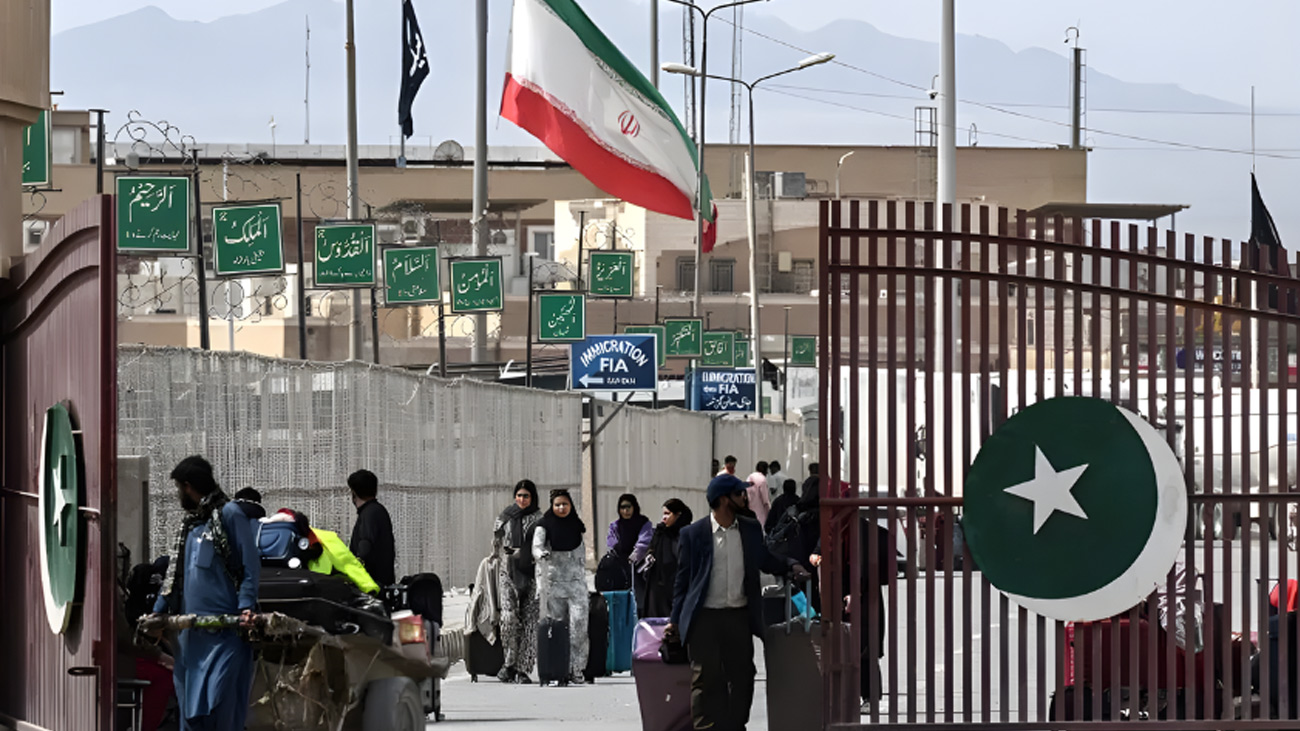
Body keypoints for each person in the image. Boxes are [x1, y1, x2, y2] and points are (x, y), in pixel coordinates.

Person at [666, 474, 810, 730]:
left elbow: (765, 558)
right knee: (706, 679)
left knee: (743, 676)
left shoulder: (749, 529)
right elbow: (682, 582)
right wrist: (674, 620)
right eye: (738, 494)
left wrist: (791, 564)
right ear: (724, 500)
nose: (744, 497)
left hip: (738, 616)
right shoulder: (693, 534)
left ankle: (735, 726)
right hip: (704, 618)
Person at [147, 455, 260, 731]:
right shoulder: (190, 526)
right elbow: (174, 578)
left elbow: (250, 565)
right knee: (190, 716)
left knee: (221, 708)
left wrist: (246, 606)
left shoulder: (230, 514)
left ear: (188, 487)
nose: (178, 495)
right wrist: (158, 611)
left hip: (226, 636)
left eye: (178, 489)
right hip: (190, 639)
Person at [532, 489, 590, 686]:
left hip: (576, 584)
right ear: (552, 506)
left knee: (579, 627)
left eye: (565, 504)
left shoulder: (576, 525)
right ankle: (559, 668)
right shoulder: (544, 525)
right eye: (557, 505)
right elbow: (536, 546)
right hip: (554, 583)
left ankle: (577, 668)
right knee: (557, 628)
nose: (562, 508)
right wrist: (541, 554)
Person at [493, 479, 543, 683]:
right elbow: (495, 544)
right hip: (508, 574)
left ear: (533, 497)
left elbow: (543, 546)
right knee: (508, 620)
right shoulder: (504, 517)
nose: (522, 499)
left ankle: (523, 669)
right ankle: (509, 663)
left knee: (530, 623)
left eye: (526, 496)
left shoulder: (540, 520)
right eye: (519, 495)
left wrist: (524, 554)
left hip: (532, 575)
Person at [640, 498, 693, 618]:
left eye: (667, 514)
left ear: (678, 515)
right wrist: (649, 556)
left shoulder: (686, 534)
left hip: (676, 586)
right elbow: (651, 549)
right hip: (657, 589)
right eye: (663, 514)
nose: (664, 518)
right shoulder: (660, 533)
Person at [347, 468, 396, 587]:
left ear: (354, 493)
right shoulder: (377, 510)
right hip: (380, 583)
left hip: (371, 585)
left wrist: (354, 569)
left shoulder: (370, 513)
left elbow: (365, 545)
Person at [606, 493, 653, 565]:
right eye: (622, 507)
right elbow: (611, 543)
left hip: (640, 564)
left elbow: (644, 543)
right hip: (619, 564)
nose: (625, 511)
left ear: (634, 507)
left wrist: (635, 556)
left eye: (628, 507)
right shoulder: (615, 526)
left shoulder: (644, 523)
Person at [745, 462, 772, 528]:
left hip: (749, 513)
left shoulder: (749, 477)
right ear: (764, 469)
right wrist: (770, 513)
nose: (767, 473)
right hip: (760, 514)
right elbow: (765, 500)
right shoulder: (762, 479)